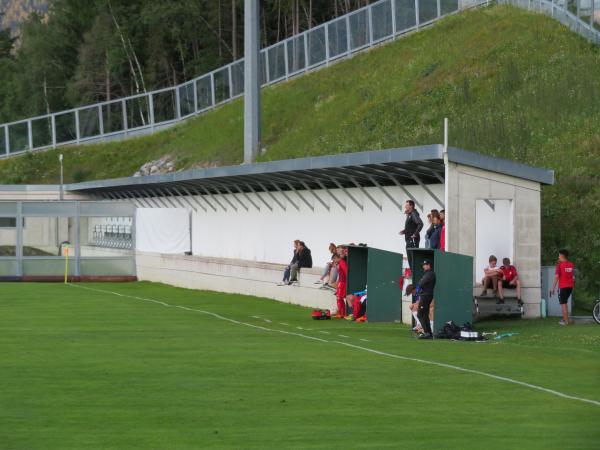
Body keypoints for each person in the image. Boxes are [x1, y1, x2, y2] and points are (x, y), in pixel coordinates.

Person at [550, 249, 575, 326]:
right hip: (570, 287)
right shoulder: (571, 264)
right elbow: (573, 277)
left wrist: (552, 288)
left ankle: (566, 322)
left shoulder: (559, 265)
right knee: (565, 302)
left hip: (563, 287)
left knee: (563, 303)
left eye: (559, 255)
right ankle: (565, 319)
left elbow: (556, 277)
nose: (558, 257)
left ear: (561, 256)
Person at [417, 260, 436, 339]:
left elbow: (421, 283)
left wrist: (420, 283)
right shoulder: (428, 274)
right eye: (423, 265)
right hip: (426, 295)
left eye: (425, 265)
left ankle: (426, 332)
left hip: (426, 296)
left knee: (420, 314)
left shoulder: (430, 273)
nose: (423, 266)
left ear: (429, 265)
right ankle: (429, 333)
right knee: (424, 314)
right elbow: (421, 283)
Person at [334, 246, 348, 318]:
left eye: (339, 250)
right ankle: (341, 313)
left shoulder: (342, 262)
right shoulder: (341, 262)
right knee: (340, 298)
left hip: (343, 282)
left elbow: (346, 272)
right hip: (341, 282)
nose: (338, 251)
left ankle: (341, 313)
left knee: (339, 298)